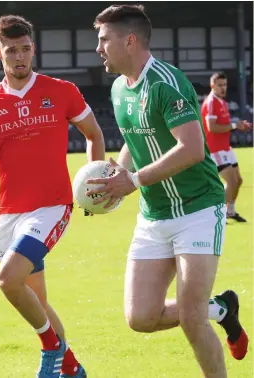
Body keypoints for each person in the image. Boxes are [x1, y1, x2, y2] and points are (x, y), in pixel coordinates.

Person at [86, 4, 248, 377]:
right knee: (140, 317)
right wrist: (115, 175)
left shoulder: (165, 82)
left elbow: (191, 148)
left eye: (103, 39)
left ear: (129, 41)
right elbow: (133, 141)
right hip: (154, 215)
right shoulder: (117, 89)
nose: (98, 48)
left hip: (198, 210)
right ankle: (221, 308)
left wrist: (135, 180)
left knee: (192, 319)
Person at [0, 15, 105, 378]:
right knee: (37, 301)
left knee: (8, 279)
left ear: (33, 49)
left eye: (24, 49)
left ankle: (52, 351)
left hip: (53, 204)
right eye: (11, 51)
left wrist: (94, 180)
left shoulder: (62, 91)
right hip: (11, 213)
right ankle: (71, 369)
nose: (19, 57)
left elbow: (94, 135)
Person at [201, 72, 252, 222]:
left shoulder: (221, 101)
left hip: (226, 148)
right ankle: (217, 215)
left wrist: (238, 125)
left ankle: (230, 211)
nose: (223, 88)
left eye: (225, 85)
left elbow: (224, 125)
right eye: (220, 85)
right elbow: (212, 127)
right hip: (215, 149)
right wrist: (236, 125)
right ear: (212, 86)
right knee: (231, 182)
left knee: (239, 180)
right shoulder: (211, 102)